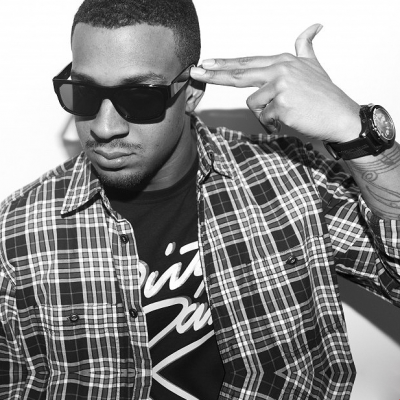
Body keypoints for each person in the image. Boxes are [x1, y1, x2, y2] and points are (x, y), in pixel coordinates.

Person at [0, 0, 399, 399]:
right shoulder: (15, 230)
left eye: (140, 97)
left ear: (191, 93)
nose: (104, 128)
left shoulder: (294, 180)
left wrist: (357, 133)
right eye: (84, 93)